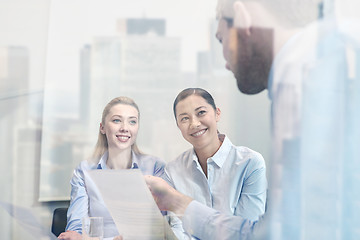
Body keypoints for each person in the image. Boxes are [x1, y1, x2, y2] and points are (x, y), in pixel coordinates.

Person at [146, 0, 360, 239]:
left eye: (221, 40)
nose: (226, 62)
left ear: (241, 15)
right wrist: (177, 203)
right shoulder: (327, 56)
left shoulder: (302, 76)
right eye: (184, 118)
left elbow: (278, 234)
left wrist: (180, 204)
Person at [147, 88, 267, 239]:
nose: (194, 123)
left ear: (217, 113)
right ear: (178, 126)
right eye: (184, 118)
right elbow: (178, 230)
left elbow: (245, 232)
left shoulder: (250, 163)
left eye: (201, 113)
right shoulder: (173, 170)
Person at [58, 96, 165, 240]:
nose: (125, 128)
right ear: (102, 127)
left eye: (132, 121)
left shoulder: (155, 168)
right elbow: (76, 232)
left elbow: (160, 230)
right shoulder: (84, 170)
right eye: (116, 120)